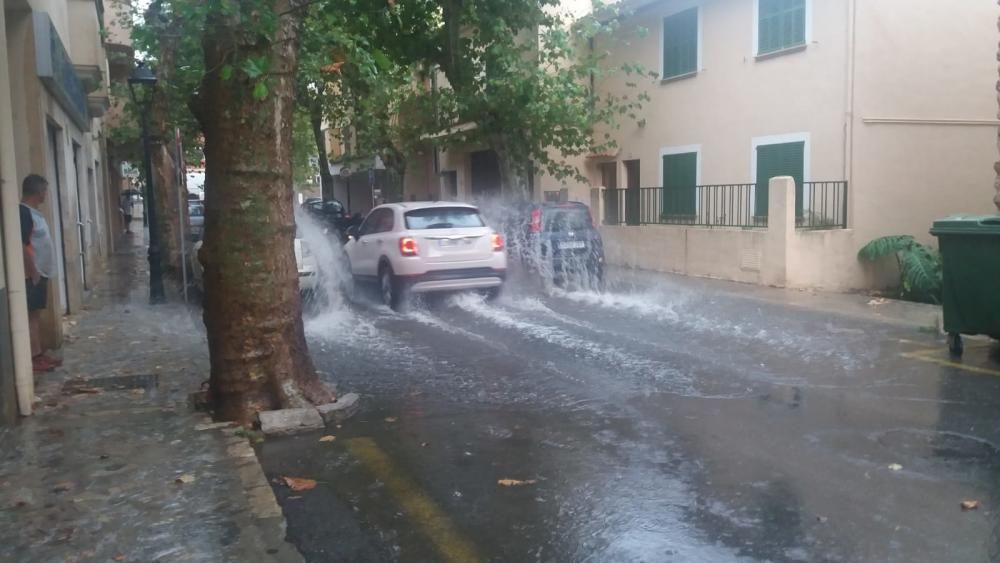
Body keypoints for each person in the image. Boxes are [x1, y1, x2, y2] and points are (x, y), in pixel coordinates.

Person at [20, 174, 60, 373]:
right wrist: (33, 271)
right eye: (44, 191)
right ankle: (34, 357)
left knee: (35, 315)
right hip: (32, 275)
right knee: (31, 316)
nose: (46, 194)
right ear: (37, 192)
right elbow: (23, 244)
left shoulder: (34, 213)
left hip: (40, 273)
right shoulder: (24, 214)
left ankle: (38, 353)